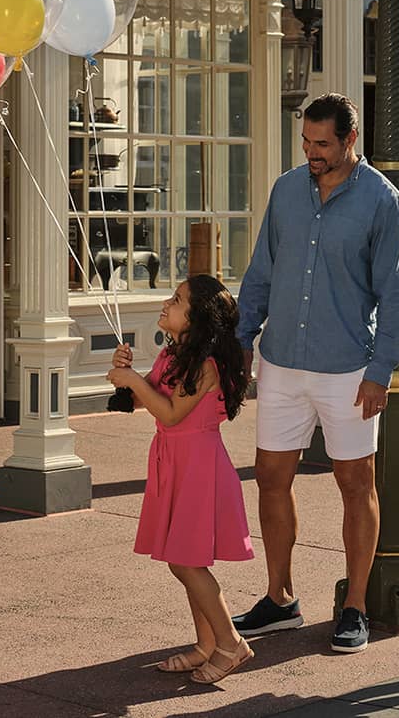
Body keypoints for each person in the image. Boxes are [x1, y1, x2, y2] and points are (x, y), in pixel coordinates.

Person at [232, 93, 399, 654]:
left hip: (348, 369)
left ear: (348, 140)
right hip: (281, 360)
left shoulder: (384, 202)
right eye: (306, 142)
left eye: (323, 144)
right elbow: (261, 269)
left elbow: (395, 292)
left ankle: (354, 607)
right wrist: (240, 338)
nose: (312, 152)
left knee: (356, 484)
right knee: (269, 476)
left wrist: (381, 369)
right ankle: (280, 598)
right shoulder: (286, 190)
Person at [107, 275, 256, 685]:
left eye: (176, 300)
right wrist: (129, 377)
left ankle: (229, 643)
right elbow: (148, 400)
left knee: (186, 561)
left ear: (198, 318)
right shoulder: (172, 356)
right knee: (188, 557)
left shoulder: (206, 366)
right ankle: (206, 644)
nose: (166, 304)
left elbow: (172, 414)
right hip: (174, 461)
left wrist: (136, 382)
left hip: (198, 466)